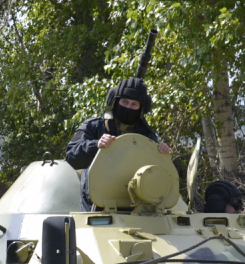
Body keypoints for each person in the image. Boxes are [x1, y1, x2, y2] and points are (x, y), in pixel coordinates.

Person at [65, 77, 171, 211]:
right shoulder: (94, 127)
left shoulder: (146, 136)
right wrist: (96, 145)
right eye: (125, 102)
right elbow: (71, 158)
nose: (128, 107)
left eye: (134, 104)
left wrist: (162, 155)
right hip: (98, 207)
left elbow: (156, 174)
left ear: (141, 108)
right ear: (115, 101)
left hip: (137, 207)